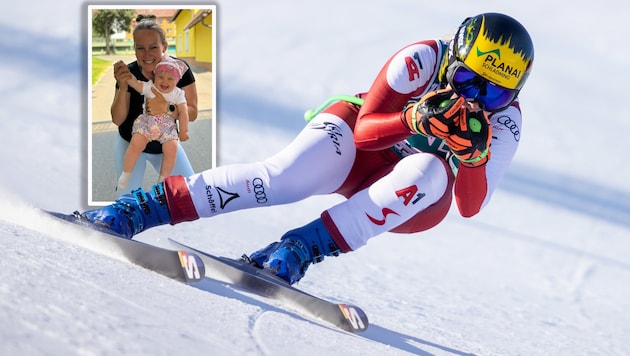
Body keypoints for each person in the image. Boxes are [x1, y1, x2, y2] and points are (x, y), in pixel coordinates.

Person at [78, 13, 534, 285]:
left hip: (407, 191)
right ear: (452, 58)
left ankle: (297, 249)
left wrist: (474, 156)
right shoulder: (422, 59)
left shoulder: (506, 119)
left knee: (432, 171)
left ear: (511, 96)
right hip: (360, 144)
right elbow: (365, 132)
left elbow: (470, 205)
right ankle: (141, 208)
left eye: (492, 94)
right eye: (467, 80)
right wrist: (411, 119)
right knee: (282, 179)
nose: (475, 98)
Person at [112, 14, 198, 195]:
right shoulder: (129, 73)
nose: (147, 54)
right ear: (134, 49)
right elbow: (117, 119)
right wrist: (122, 86)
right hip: (131, 141)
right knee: (128, 199)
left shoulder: (178, 70)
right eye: (140, 48)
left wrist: (167, 109)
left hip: (165, 142)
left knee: (190, 192)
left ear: (164, 46)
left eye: (153, 47)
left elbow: (193, 112)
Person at [117, 55, 190, 190]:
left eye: (170, 78)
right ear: (154, 76)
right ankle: (126, 174)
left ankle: (162, 180)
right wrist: (126, 75)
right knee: (135, 144)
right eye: (160, 76)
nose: (164, 81)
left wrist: (184, 130)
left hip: (167, 128)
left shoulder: (178, 93)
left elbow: (183, 112)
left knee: (172, 148)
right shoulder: (150, 87)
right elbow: (135, 83)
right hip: (147, 123)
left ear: (177, 81)